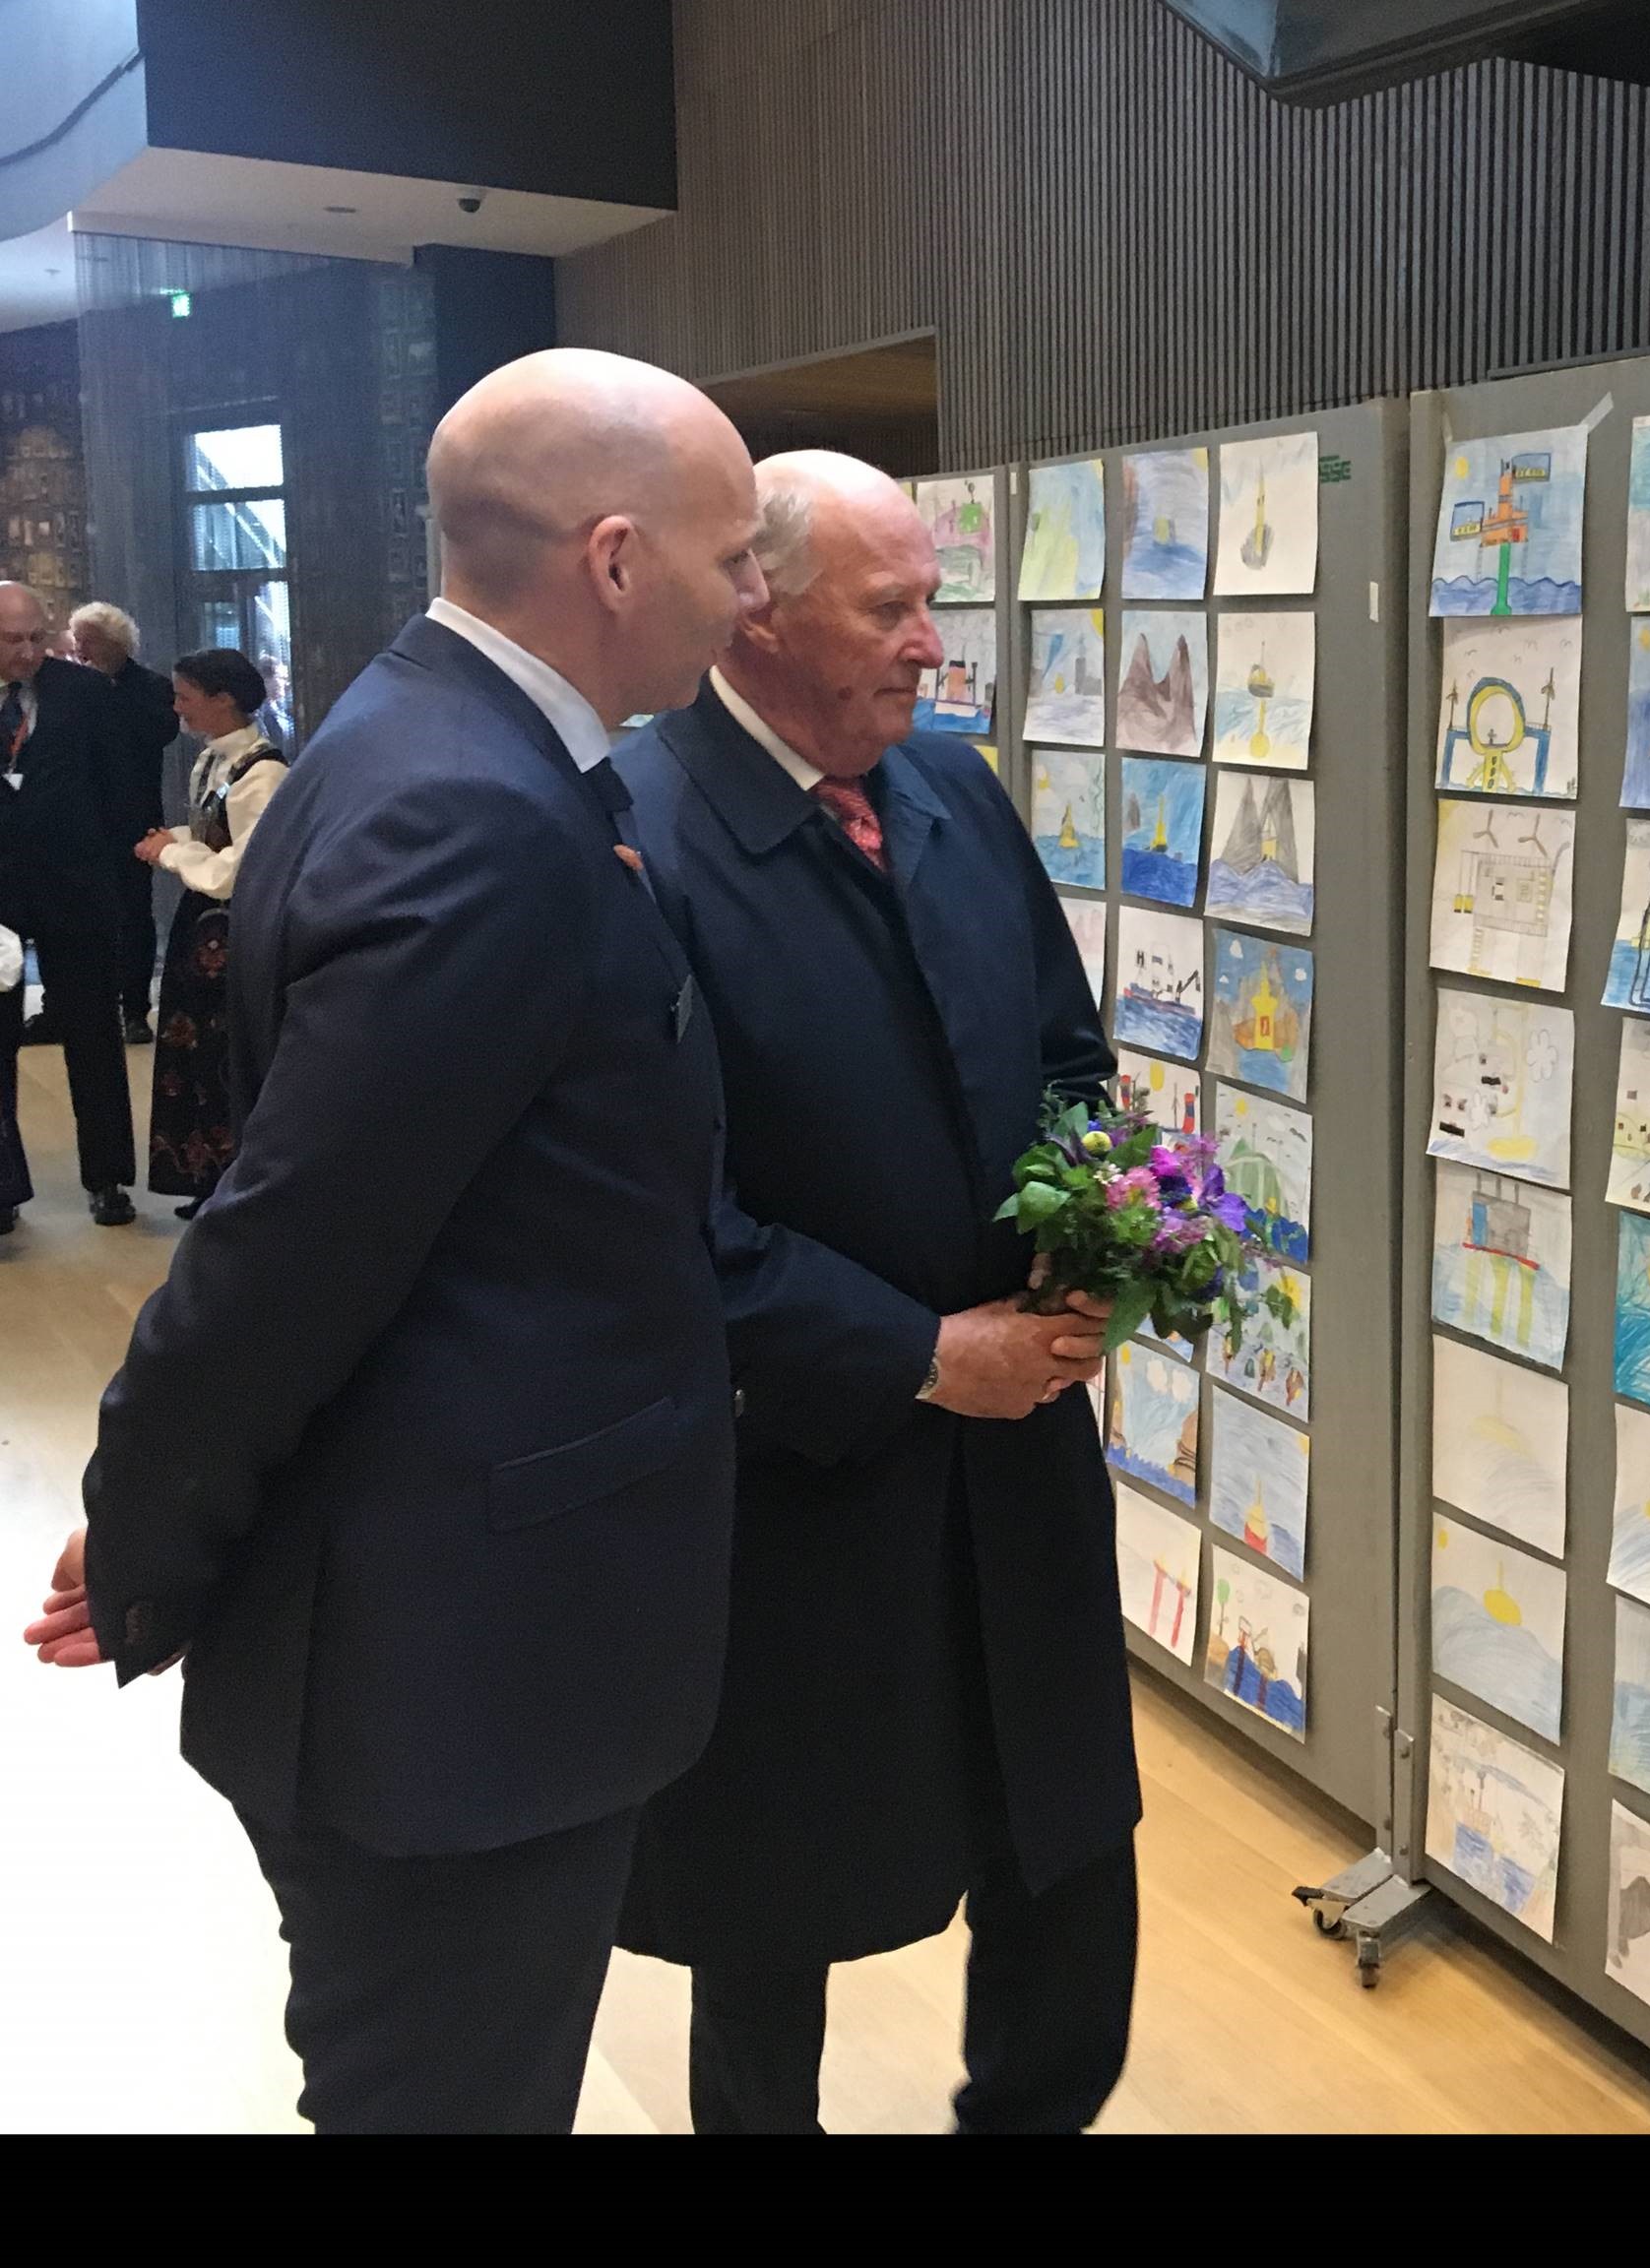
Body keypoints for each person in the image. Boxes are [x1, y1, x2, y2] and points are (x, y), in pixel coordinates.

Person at [21, 348, 769, 2134]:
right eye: (734, 552)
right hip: (455, 1674)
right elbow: (289, 1249)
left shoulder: (431, 734)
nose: (753, 592)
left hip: (453, 1627)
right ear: (613, 559)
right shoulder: (474, 810)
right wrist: (148, 1527)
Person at [610, 450, 1140, 2135]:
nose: (931, 643)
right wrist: (915, 1351)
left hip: (1019, 1442)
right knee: (773, 1899)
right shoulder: (634, 832)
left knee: (1064, 1843)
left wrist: (1090, 1232)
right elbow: (649, 1215)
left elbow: (1066, 1052)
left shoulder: (953, 793)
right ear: (755, 612)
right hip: (797, 1467)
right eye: (890, 607)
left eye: (933, 602)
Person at [0, 580, 141, 1226]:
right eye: (12, 641)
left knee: (93, 1036)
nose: (27, 652)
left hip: (75, 888)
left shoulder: (84, 693)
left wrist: (114, 879)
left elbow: (119, 792)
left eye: (36, 637)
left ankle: (108, 1178)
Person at [134, 647, 286, 1217]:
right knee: (196, 1053)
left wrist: (173, 854)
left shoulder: (263, 775)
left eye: (185, 697)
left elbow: (239, 870)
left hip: (233, 933)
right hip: (200, 929)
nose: (177, 708)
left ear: (223, 700)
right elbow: (210, 836)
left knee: (225, 1057)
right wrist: (176, 841)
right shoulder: (213, 761)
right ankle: (204, 1174)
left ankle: (234, 1180)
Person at [68, 599, 181, 1041]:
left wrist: (108, 694)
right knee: (84, 914)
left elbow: (159, 733)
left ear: (115, 644)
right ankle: (86, 1005)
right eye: (77, 641)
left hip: (132, 818)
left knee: (134, 913)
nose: (81, 650)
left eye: (89, 642)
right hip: (80, 819)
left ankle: (135, 1009)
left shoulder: (150, 687)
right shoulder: (74, 687)